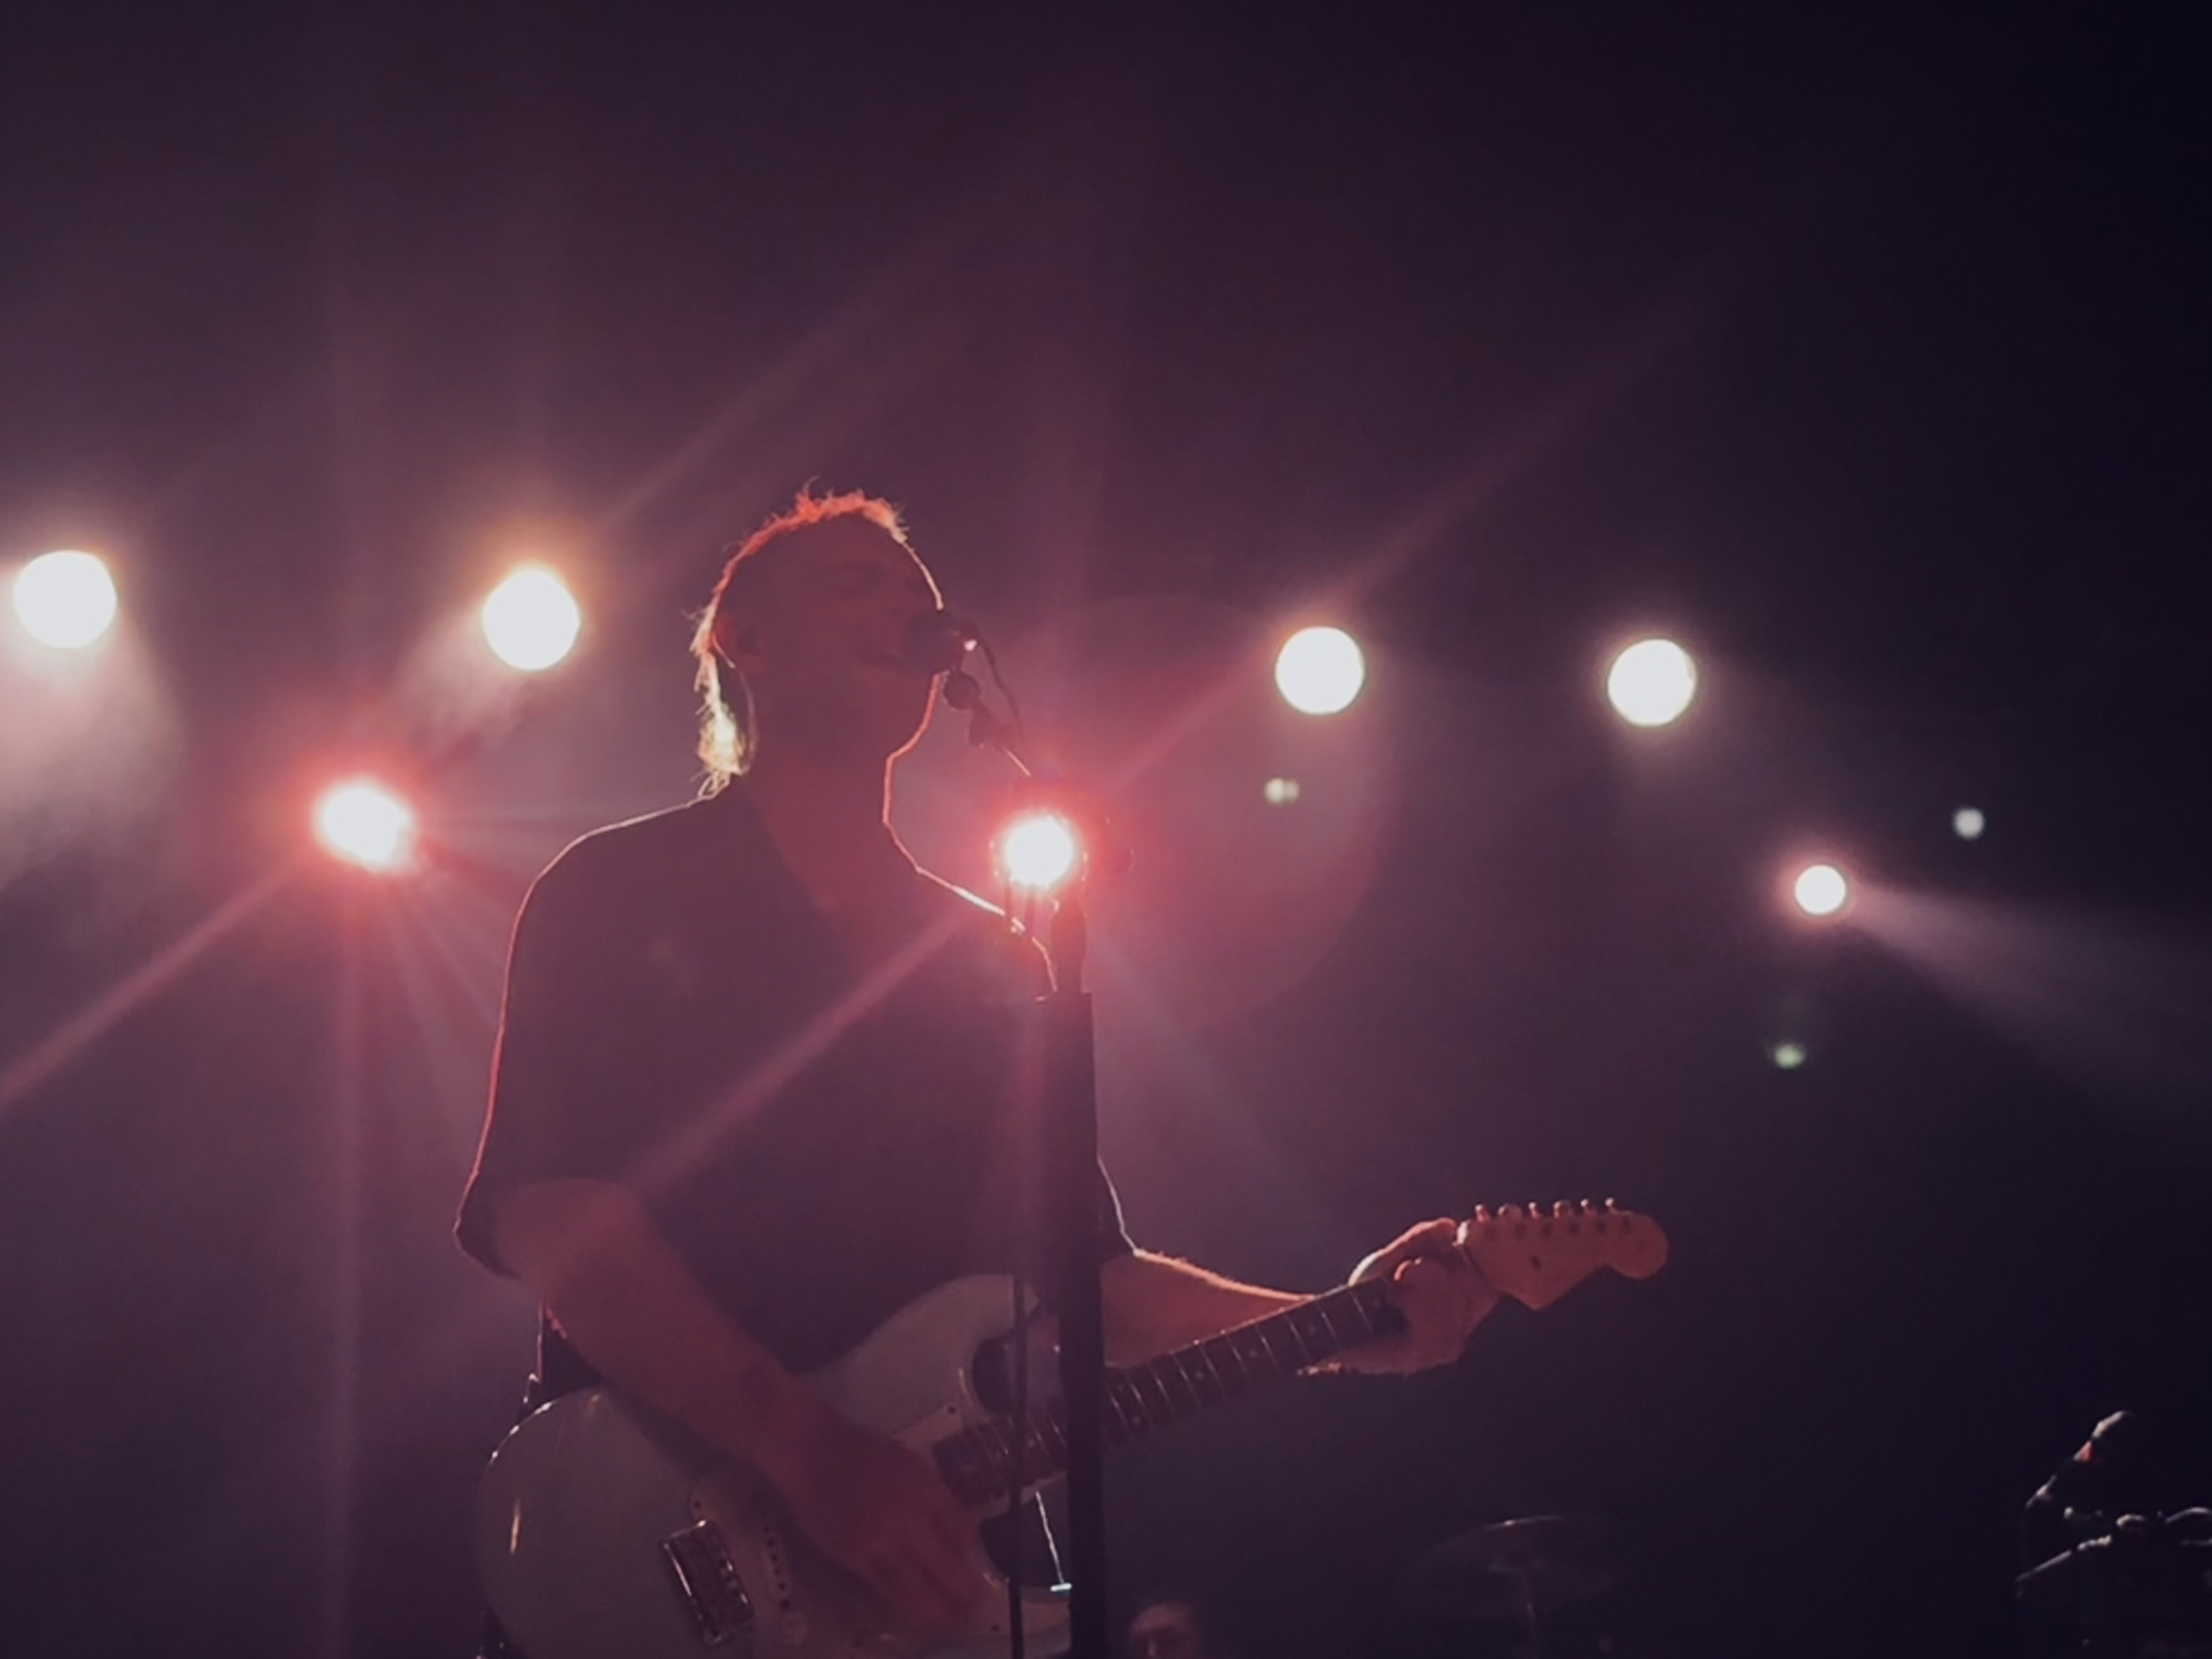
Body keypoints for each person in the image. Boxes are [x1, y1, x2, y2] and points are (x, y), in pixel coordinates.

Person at [457, 488, 1498, 1650]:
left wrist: (1346, 1319)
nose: (907, 605)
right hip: (642, 1543)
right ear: (740, 640)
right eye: (858, 581)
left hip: (913, 1592)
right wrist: (809, 1452)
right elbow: (554, 1216)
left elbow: (1093, 1285)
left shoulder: (990, 961)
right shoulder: (612, 890)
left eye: (918, 591)